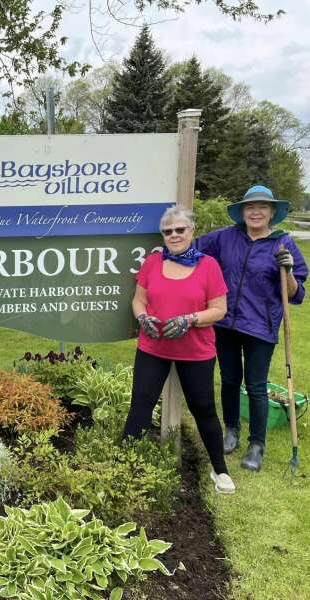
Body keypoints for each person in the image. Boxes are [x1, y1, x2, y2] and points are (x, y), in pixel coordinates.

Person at [195, 185, 308, 472]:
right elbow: (191, 246)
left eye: (262, 207)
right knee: (230, 380)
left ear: (272, 213)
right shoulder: (225, 237)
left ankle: (257, 445)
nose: (255, 212)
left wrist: (290, 271)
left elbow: (296, 295)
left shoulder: (283, 244)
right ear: (242, 212)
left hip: (261, 326)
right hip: (226, 322)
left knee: (256, 385)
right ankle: (231, 431)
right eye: (249, 207)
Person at [123, 206, 235, 494]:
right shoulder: (153, 262)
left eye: (179, 230)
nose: (173, 235)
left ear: (191, 231)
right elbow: (139, 300)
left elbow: (219, 309)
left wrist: (190, 319)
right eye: (167, 231)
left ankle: (219, 469)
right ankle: (122, 465)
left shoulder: (208, 265)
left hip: (195, 351)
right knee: (140, 406)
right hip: (153, 347)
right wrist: (142, 317)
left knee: (204, 409)